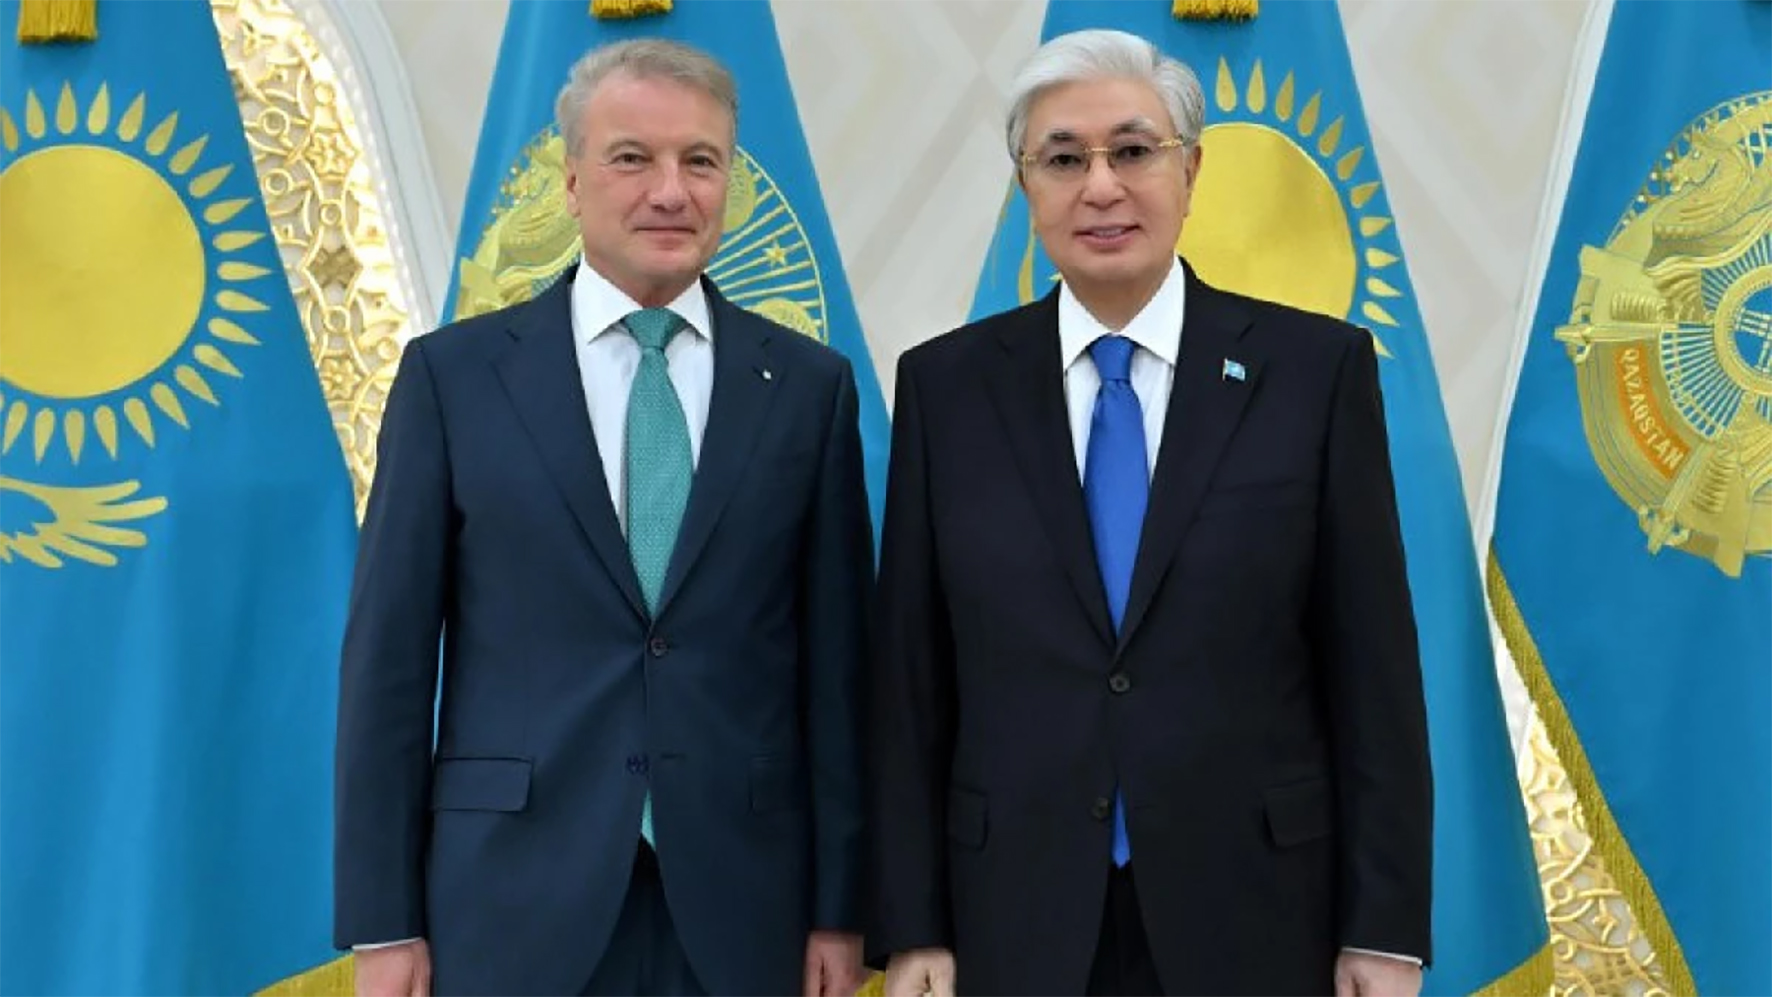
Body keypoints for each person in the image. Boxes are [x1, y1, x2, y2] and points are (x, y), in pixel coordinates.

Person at [866, 28, 1433, 997]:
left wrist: (1382, 930)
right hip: (1013, 917)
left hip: (1258, 915)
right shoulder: (946, 388)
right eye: (1062, 159)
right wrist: (912, 923)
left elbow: (1371, 672)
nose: (1101, 187)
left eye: (1132, 151)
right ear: (1024, 185)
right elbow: (912, 681)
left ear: (1191, 170)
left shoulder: (1314, 374)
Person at [333, 38, 872, 997]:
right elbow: (389, 666)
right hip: (508, 902)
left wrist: (842, 905)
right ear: (573, 182)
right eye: (633, 158)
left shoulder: (806, 388)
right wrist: (384, 920)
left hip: (747, 907)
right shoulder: (454, 379)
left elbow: (838, 672)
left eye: (700, 161)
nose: (671, 191)